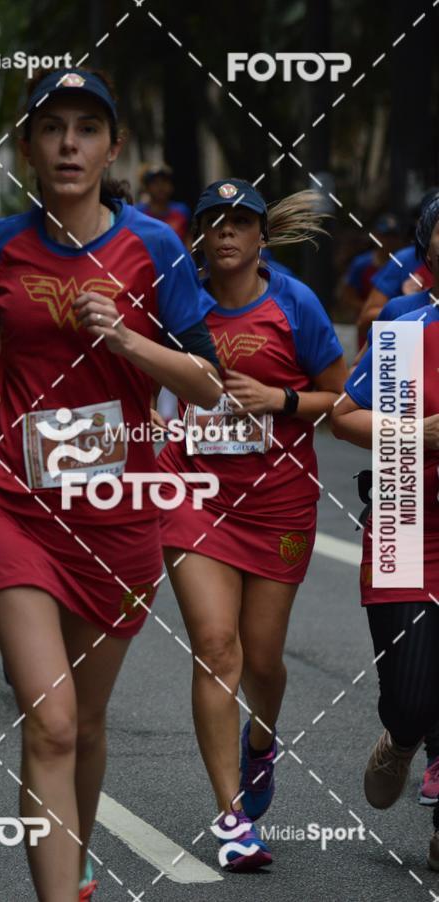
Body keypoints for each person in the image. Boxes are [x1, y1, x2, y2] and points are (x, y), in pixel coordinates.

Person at [0, 67, 221, 902]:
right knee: (54, 719)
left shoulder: (155, 249)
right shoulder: (0, 243)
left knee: (90, 724)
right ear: (30, 149)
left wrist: (131, 346)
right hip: (12, 502)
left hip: (116, 516)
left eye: (86, 128)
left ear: (112, 148)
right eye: (51, 128)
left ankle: (72, 878)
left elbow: (211, 384)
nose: (68, 143)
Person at [156, 178, 347, 871]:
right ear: (201, 236)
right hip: (192, 493)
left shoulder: (295, 304)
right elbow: (145, 379)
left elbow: (341, 397)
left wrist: (282, 398)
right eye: (216, 222)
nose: (228, 232)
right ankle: (232, 819)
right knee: (216, 643)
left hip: (278, 505)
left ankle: (261, 741)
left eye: (242, 222)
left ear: (262, 236)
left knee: (263, 661)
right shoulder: (176, 301)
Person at [331, 195, 439, 872]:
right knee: (412, 693)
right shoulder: (405, 320)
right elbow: (343, 416)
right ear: (428, 247)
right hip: (406, 515)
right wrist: (416, 434)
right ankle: (402, 736)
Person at [357, 190, 439, 336]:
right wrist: (412, 307)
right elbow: (365, 319)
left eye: (393, 236)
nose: (389, 241)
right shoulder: (405, 259)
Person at [341, 214, 402, 347]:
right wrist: (369, 311)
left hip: (397, 327)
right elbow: (348, 296)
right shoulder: (361, 264)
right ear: (376, 236)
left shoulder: (403, 263)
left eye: (393, 236)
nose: (389, 240)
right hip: (368, 327)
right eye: (385, 235)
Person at [136, 163, 191, 245]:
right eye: (155, 182)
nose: (160, 186)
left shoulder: (182, 211)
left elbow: (189, 241)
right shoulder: (138, 214)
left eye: (164, 181)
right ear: (147, 188)